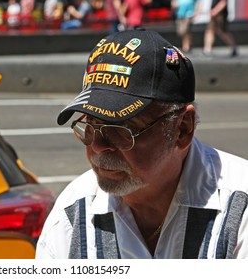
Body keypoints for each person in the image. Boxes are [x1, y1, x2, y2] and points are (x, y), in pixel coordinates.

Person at [35, 29, 248, 259]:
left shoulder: (239, 206)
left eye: (121, 130)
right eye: (89, 126)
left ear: (182, 129)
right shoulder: (72, 214)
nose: (97, 146)